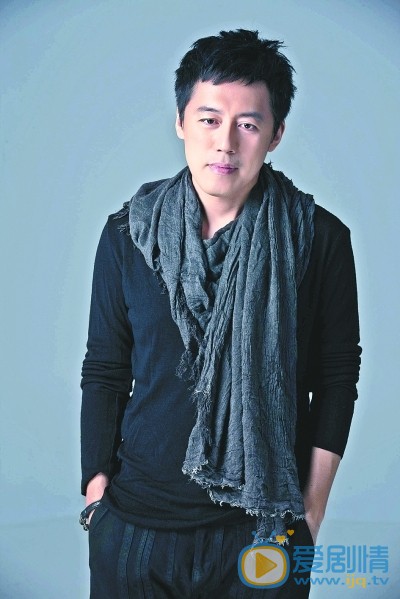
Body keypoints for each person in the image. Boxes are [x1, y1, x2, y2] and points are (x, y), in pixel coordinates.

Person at [80, 29, 361, 598]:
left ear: (276, 134)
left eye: (248, 124)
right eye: (209, 119)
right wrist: (95, 495)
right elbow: (105, 370)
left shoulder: (319, 240)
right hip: (136, 528)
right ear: (181, 122)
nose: (225, 143)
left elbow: (336, 379)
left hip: (264, 531)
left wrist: (310, 515)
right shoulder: (128, 234)